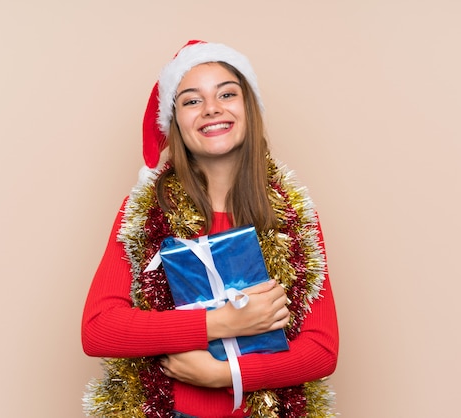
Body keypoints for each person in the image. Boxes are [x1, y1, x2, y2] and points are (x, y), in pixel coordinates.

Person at [81, 40, 339, 418]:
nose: (212, 109)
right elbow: (99, 329)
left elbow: (321, 350)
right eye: (191, 100)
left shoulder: (292, 216)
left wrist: (224, 375)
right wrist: (219, 322)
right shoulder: (142, 213)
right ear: (175, 122)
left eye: (227, 94)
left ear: (249, 109)